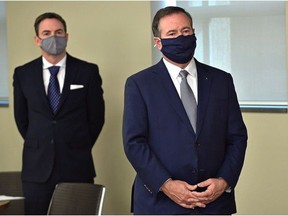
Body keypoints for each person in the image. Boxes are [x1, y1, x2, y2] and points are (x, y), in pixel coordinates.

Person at [123, 6, 247, 215]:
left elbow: (237, 137)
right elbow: (134, 143)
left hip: (214, 203)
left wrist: (224, 181)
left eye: (186, 31)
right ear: (158, 42)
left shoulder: (221, 80)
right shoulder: (139, 84)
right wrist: (166, 184)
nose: (180, 37)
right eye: (172, 33)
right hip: (160, 203)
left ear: (194, 34)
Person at [13, 12, 105, 214]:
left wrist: (77, 143)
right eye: (46, 33)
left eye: (58, 32)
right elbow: (22, 120)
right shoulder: (23, 74)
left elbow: (96, 118)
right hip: (36, 169)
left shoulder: (87, 71)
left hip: (77, 165)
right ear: (37, 39)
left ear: (67, 36)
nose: (53, 37)